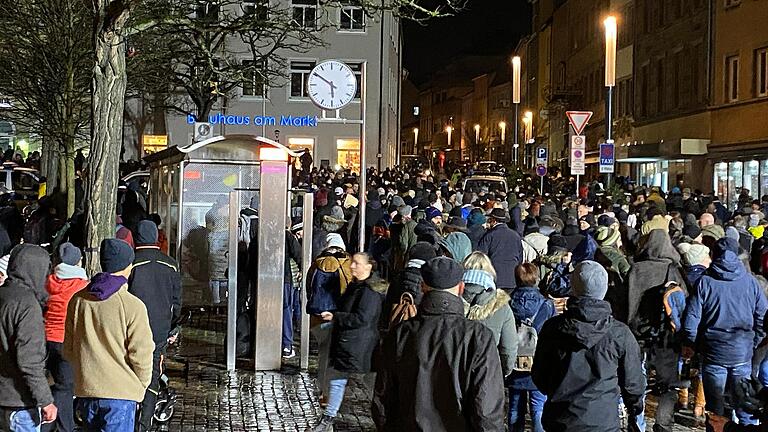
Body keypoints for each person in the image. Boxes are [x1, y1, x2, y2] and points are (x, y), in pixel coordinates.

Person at [372, 256, 505, 431]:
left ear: (422, 287)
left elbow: (383, 400)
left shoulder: (399, 334)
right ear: (460, 288)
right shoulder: (478, 337)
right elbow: (487, 408)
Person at [532, 261, 646, 432]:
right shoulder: (619, 333)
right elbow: (633, 384)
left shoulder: (553, 328)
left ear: (573, 287)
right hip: (602, 421)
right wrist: (634, 408)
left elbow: (540, 376)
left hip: (561, 419)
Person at [64, 239, 154, 432]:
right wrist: (141, 386)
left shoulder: (78, 300)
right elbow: (142, 354)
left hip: (86, 391)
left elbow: (69, 349)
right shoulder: (132, 305)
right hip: (121, 393)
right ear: (126, 267)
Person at [682, 237, 768, 424]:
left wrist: (695, 344)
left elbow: (691, 322)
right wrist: (754, 341)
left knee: (716, 411)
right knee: (746, 406)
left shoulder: (705, 282)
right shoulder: (750, 282)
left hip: (714, 353)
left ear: (714, 255)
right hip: (741, 352)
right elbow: (763, 317)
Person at [308, 253, 386, 431]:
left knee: (367, 385)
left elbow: (362, 318)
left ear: (368, 267)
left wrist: (335, 317)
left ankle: (381, 419)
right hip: (349, 343)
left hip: (359, 345)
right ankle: (328, 418)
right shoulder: (357, 286)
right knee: (338, 379)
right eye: (352, 263)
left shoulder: (369, 292)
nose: (352, 266)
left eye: (357, 264)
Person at [128, 221, 182, 432]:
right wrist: (174, 326)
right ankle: (145, 420)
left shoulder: (131, 264)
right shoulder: (170, 264)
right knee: (152, 373)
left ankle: (130, 414)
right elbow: (177, 300)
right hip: (159, 327)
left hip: (132, 326)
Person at [0, 244, 57, 431]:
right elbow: (29, 361)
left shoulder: (4, 296)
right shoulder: (27, 305)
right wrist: (46, 400)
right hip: (19, 402)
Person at [43, 243, 89, 432]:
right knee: (64, 387)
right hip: (65, 341)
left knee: (48, 383)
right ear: (78, 262)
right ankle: (64, 428)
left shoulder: (48, 281)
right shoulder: (82, 285)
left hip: (45, 339)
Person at [507, 263, 556, 432]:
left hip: (514, 363)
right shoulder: (546, 305)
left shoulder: (506, 303)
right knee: (538, 408)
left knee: (514, 408)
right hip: (539, 364)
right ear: (536, 278)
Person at [306, 233, 352, 406]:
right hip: (337, 316)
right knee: (334, 356)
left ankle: (323, 391)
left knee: (324, 354)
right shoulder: (346, 263)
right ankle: (330, 393)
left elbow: (309, 289)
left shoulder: (317, 263)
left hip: (317, 317)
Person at [461, 252, 517, 376]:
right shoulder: (500, 305)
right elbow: (508, 347)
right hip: (488, 372)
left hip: (454, 372)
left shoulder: (453, 299)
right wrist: (504, 372)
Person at [478, 208, 523, 292]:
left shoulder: (489, 235)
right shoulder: (515, 236)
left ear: (493, 220)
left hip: (494, 278)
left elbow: (481, 258)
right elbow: (520, 258)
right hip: (512, 279)